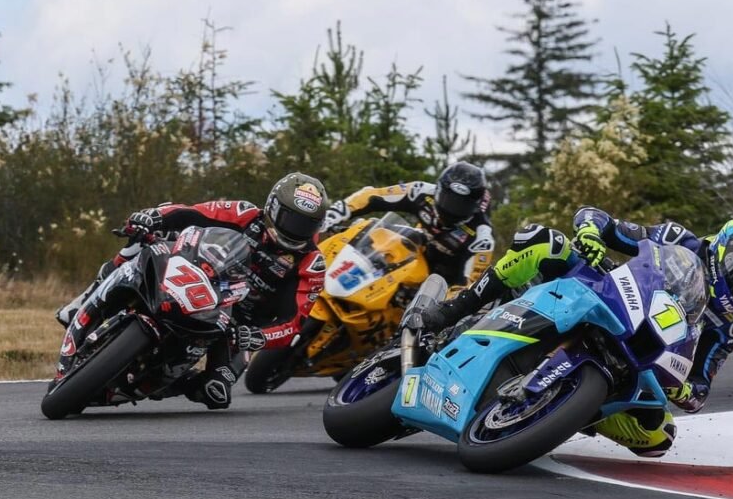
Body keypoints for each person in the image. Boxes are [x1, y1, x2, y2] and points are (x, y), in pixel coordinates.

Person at [417, 208, 733, 457]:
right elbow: (599, 220)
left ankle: (571, 410)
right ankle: (453, 311)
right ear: (727, 254)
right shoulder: (680, 239)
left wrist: (684, 390)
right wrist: (591, 234)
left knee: (658, 437)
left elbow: (701, 386)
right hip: (611, 294)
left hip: (643, 353)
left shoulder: (731, 324)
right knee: (546, 242)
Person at [54, 173, 329, 409]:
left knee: (216, 393)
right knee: (140, 242)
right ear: (272, 207)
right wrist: (153, 217)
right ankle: (86, 299)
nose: (296, 231)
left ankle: (172, 381)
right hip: (196, 273)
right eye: (291, 220)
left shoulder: (311, 264)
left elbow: (293, 324)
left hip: (235, 325)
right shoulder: (245, 213)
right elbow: (193, 212)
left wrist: (257, 337)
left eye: (306, 225)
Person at [319, 162, 496, 287]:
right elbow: (370, 196)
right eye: (447, 199)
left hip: (442, 281)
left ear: (474, 206)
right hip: (415, 254)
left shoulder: (482, 236)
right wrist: (330, 218)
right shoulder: (420, 191)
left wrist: (447, 303)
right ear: (439, 189)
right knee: (375, 229)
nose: (450, 208)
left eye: (460, 205)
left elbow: (471, 284)